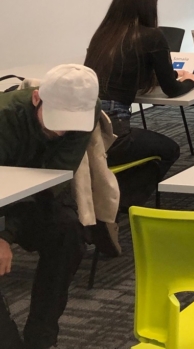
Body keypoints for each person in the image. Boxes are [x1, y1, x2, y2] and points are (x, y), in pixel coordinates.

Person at [0, 65, 100, 349]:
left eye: (71, 122)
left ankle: (41, 337)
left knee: (68, 233)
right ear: (36, 98)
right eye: (55, 119)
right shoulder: (4, 120)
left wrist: (6, 234)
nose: (62, 131)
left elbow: (50, 183)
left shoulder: (88, 110)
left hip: (31, 197)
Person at [84, 0, 194, 207]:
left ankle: (112, 195)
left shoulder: (102, 35)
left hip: (84, 129)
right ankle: (125, 201)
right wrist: (190, 81)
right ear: (149, 6)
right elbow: (172, 90)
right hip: (114, 132)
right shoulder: (152, 36)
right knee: (170, 149)